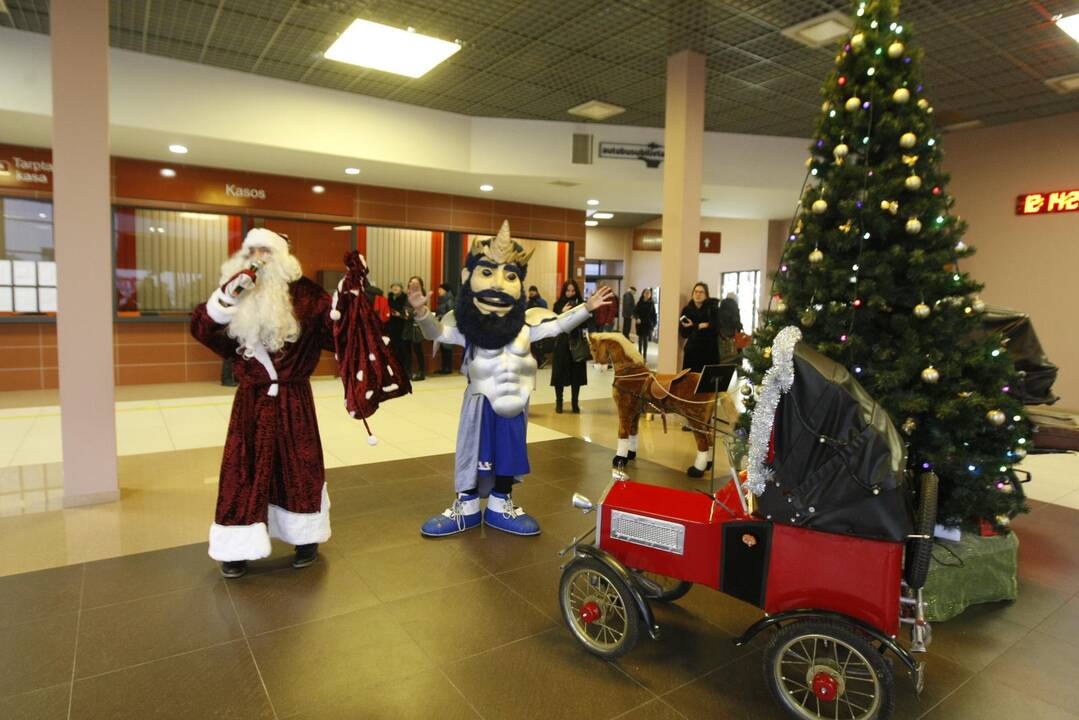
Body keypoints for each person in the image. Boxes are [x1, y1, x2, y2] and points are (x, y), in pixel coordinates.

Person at [190, 228, 394, 578]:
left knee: (299, 470)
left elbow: (340, 337)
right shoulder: (236, 293)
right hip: (251, 402)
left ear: (283, 258)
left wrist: (351, 300)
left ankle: (305, 539)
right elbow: (204, 331)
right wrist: (225, 300)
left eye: (265, 251)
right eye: (251, 250)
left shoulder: (309, 298)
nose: (257, 257)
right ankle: (237, 547)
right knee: (244, 471)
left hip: (293, 399)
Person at [409, 221, 612, 537]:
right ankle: (467, 508)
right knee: (473, 452)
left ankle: (501, 504)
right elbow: (441, 332)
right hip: (480, 403)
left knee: (510, 453)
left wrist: (587, 308)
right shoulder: (470, 327)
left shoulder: (527, 325)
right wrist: (423, 314)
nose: (500, 283)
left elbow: (558, 325)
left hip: (515, 405)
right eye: (488, 273)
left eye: (510, 275)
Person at [551, 279, 591, 413]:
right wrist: (562, 312)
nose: (570, 293)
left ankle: (575, 403)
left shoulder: (581, 305)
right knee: (559, 374)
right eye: (568, 290)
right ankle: (559, 403)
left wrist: (582, 313)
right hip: (562, 342)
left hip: (576, 342)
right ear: (564, 291)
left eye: (573, 290)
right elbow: (555, 324)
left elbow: (585, 325)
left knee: (576, 374)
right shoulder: (558, 304)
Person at [402, 276, 427, 381]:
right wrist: (405, 311)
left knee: (418, 350)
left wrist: (409, 312)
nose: (413, 284)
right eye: (411, 282)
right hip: (407, 325)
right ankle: (408, 372)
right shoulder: (407, 294)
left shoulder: (421, 295)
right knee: (406, 350)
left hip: (416, 326)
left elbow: (420, 310)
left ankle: (422, 372)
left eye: (415, 282)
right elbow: (404, 307)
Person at [526, 285, 551, 368]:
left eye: (533, 290)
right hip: (530, 325)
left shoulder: (541, 301)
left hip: (539, 324)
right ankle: (541, 360)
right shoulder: (528, 302)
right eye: (530, 290)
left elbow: (545, 312)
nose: (531, 292)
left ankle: (541, 359)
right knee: (532, 344)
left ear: (536, 292)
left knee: (537, 343)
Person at [435, 282, 456, 374]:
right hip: (441, 326)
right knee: (443, 347)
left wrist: (440, 316)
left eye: (441, 289)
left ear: (446, 291)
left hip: (448, 327)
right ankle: (444, 367)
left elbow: (451, 314)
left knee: (447, 347)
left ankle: (448, 368)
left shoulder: (450, 300)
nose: (438, 291)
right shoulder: (441, 300)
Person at [718, 292, 743, 363]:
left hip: (721, 337)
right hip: (732, 338)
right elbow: (736, 322)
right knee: (735, 360)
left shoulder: (721, 307)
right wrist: (740, 326)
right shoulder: (735, 307)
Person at [633, 287, 657, 360]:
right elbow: (635, 312)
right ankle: (639, 354)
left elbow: (654, 314)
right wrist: (637, 318)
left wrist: (654, 324)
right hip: (640, 324)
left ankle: (645, 356)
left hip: (648, 324)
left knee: (646, 341)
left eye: (649, 293)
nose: (647, 294)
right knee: (640, 340)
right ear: (643, 294)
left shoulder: (651, 303)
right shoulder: (639, 302)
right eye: (646, 293)